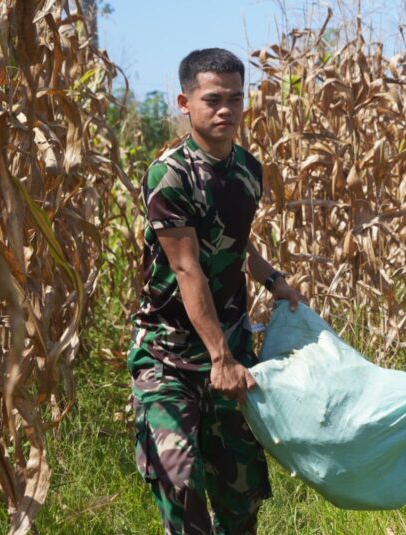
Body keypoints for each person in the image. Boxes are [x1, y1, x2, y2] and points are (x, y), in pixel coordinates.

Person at [128, 48, 302, 535]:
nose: (226, 109)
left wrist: (274, 280)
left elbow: (234, 242)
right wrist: (219, 357)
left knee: (240, 496)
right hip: (168, 356)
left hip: (231, 348)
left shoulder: (248, 169)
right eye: (212, 100)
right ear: (185, 103)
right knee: (179, 481)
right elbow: (187, 268)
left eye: (235, 99)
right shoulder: (170, 175)